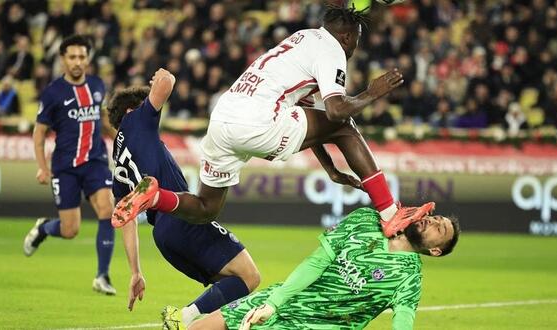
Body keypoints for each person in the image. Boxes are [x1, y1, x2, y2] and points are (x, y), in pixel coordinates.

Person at [111, 6, 434, 237]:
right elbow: (335, 114)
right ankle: (390, 213)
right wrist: (372, 92)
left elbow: (313, 114)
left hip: (223, 116)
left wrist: (331, 168)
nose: (355, 48)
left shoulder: (303, 38)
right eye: (356, 40)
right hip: (258, 119)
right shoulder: (333, 50)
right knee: (345, 126)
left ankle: (154, 197)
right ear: (347, 36)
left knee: (207, 207)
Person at [107, 69, 261, 330]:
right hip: (180, 215)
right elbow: (167, 81)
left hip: (164, 238)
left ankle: (189, 320)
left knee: (233, 283)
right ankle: (183, 318)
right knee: (250, 275)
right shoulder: (136, 121)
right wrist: (159, 77)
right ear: (132, 111)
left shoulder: (118, 159)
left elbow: (125, 219)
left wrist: (136, 271)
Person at [189, 206, 460, 330]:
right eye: (435, 217)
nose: (434, 221)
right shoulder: (366, 220)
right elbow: (316, 262)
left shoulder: (409, 279)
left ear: (435, 251)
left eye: (441, 228)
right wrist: (274, 303)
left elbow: (402, 321)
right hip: (284, 299)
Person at [23, 34, 118, 295]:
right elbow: (39, 134)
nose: (78, 62)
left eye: (82, 57)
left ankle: (102, 275)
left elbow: (104, 121)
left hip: (96, 161)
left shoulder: (98, 85)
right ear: (63, 60)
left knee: (107, 209)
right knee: (70, 230)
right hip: (65, 166)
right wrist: (43, 167)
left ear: (88, 59)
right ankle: (44, 227)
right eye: (72, 57)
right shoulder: (53, 93)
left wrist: (122, 137)